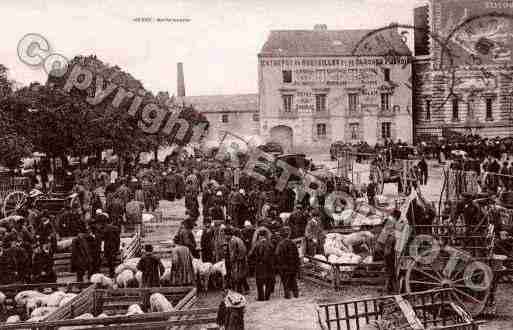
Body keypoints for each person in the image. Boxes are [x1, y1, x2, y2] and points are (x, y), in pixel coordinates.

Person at [248, 230, 275, 301]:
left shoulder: (256, 244)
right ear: (265, 236)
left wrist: (254, 261)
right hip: (269, 266)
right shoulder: (270, 244)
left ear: (259, 236)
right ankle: (267, 296)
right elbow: (274, 255)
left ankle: (261, 297)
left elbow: (250, 255)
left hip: (259, 265)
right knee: (268, 281)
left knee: (259, 282)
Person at [275, 226, 300, 299]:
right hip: (292, 266)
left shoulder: (280, 245)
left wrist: (279, 266)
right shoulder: (293, 243)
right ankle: (296, 294)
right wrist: (297, 265)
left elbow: (277, 256)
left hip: (284, 267)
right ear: (288, 235)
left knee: (285, 281)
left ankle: (287, 295)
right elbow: (296, 255)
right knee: (293, 280)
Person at [225, 227, 248, 293]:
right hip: (242, 258)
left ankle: (239, 290)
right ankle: (246, 289)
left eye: (226, 235)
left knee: (237, 275)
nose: (225, 237)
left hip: (239, 259)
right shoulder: (237, 238)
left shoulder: (232, 241)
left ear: (229, 235)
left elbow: (233, 253)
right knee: (242, 274)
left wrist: (231, 262)